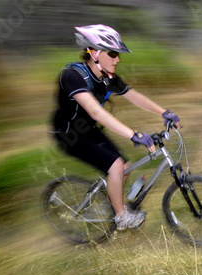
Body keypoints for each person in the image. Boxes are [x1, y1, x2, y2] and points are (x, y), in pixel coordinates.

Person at [51, 24, 181, 231]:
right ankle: (121, 217)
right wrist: (133, 134)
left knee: (125, 167)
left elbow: (133, 96)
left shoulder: (108, 78)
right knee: (116, 167)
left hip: (88, 131)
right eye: (112, 54)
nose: (117, 59)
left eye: (117, 54)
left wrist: (164, 112)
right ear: (94, 53)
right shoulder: (72, 76)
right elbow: (95, 112)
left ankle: (106, 205)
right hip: (69, 136)